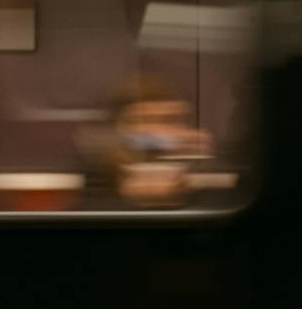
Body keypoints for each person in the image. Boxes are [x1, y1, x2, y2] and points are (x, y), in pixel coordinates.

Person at [86, 75, 215, 209]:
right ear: (116, 127)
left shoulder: (207, 179)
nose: (155, 132)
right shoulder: (97, 175)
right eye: (140, 121)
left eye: (168, 120)